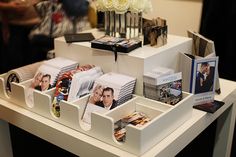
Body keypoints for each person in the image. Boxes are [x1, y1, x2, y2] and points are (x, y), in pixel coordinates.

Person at [0, 0, 41, 73]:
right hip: (14, 28)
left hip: (38, 26)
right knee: (14, 62)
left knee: (35, 63)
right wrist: (10, 6)